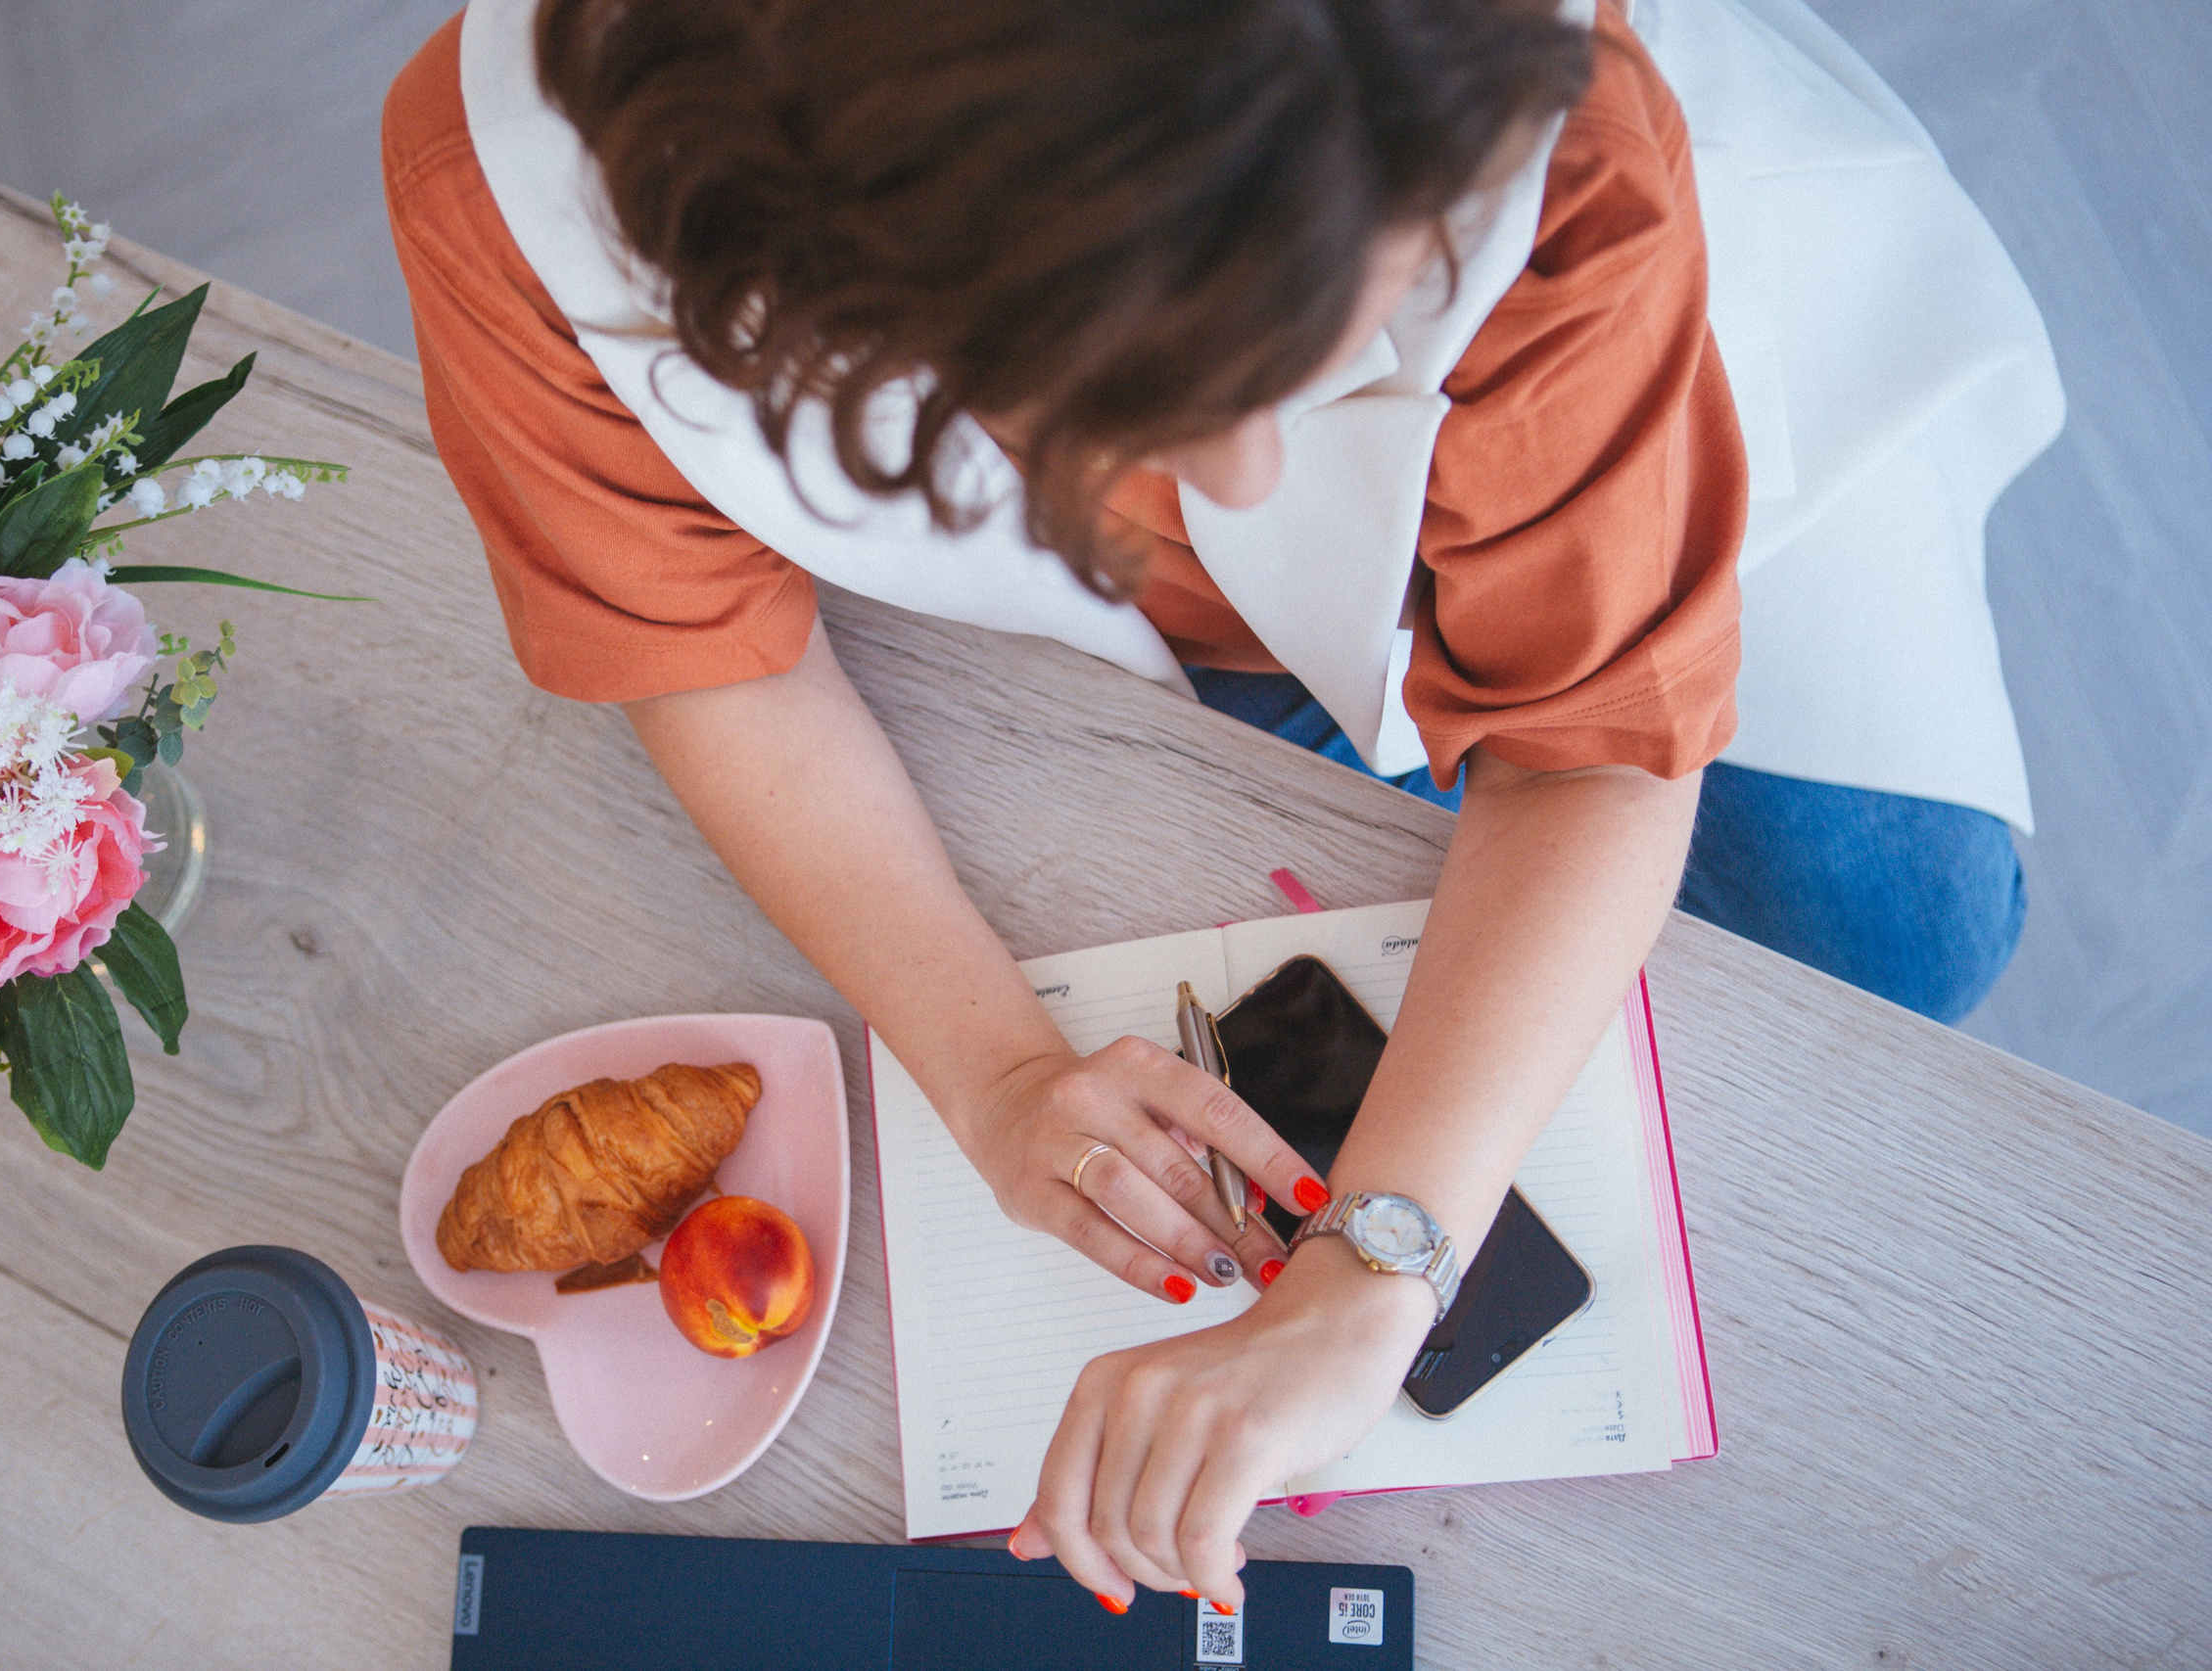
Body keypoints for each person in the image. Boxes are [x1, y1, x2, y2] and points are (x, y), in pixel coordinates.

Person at [384, 0, 2060, 1614]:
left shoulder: (1541, 138)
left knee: (1913, 935)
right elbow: (706, 656)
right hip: (1101, 639)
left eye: (1337, 349)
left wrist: (1373, 1273)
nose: (1260, 482)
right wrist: (994, 1068)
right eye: (1165, 399)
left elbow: (1588, 742)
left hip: (1608, 416)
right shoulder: (511, 196)